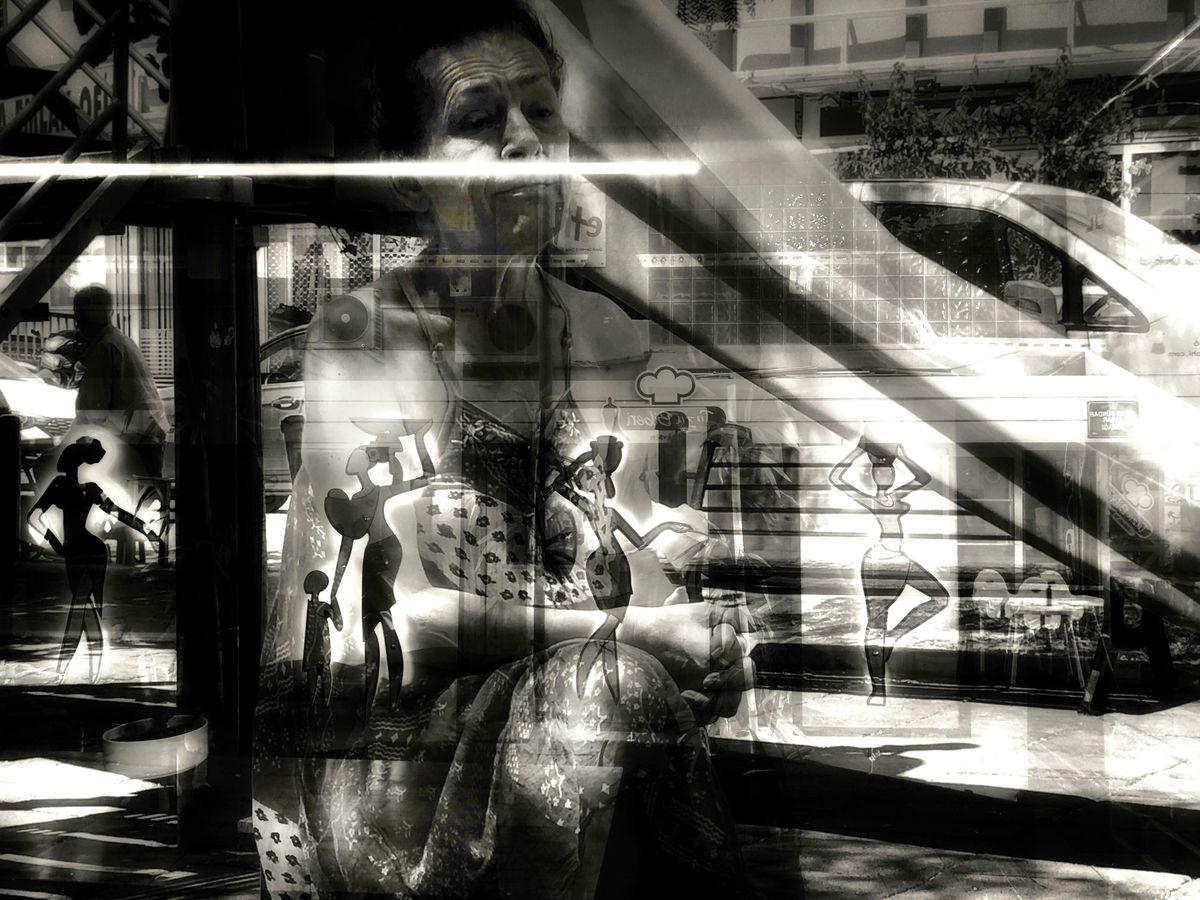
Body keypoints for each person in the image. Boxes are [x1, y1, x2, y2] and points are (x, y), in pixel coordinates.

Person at [252, 3, 760, 897]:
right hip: (420, 764)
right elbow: (403, 625)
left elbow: (656, 564)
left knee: (626, 698)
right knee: (614, 693)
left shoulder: (613, 335)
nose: (526, 144)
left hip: (595, 734)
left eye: (542, 112)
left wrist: (704, 652)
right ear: (411, 178)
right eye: (481, 121)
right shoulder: (364, 336)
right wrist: (636, 640)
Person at [830, 437, 950, 705]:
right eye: (880, 470)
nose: (886, 473)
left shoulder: (896, 496)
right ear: (873, 475)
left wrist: (903, 455)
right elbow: (837, 478)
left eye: (890, 470)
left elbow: (923, 477)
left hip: (899, 558)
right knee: (876, 621)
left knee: (940, 598)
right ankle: (878, 689)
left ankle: (893, 636)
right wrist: (858, 449)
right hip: (878, 561)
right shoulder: (871, 500)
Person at [26, 437, 157, 682]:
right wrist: (147, 531)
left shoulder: (61, 486)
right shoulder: (88, 489)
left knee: (81, 609)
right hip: (89, 550)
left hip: (79, 551)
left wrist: (55, 544)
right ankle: (90, 673)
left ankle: (65, 672)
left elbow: (33, 517)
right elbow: (121, 514)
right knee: (88, 611)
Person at [71, 285, 167, 478]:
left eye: (78, 315)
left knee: (47, 466)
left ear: (81, 318)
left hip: (130, 445)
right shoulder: (121, 341)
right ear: (110, 312)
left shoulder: (104, 348)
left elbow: (91, 412)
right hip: (147, 440)